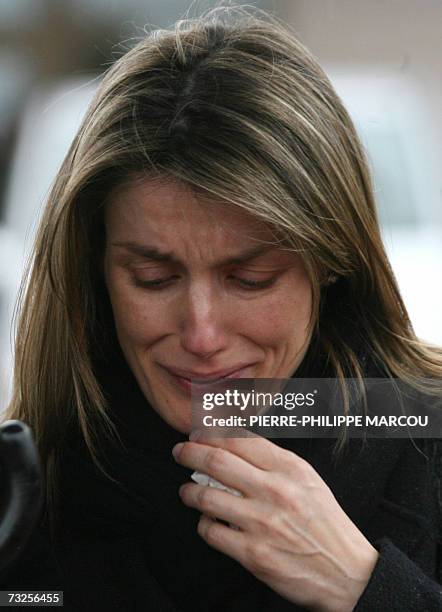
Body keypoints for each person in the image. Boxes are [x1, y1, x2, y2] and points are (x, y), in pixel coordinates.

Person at [1, 7, 441, 611]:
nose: (202, 334)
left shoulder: (426, 443)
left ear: (334, 264)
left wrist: (364, 586)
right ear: (93, 274)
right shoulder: (28, 495)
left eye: (250, 279)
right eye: (153, 279)